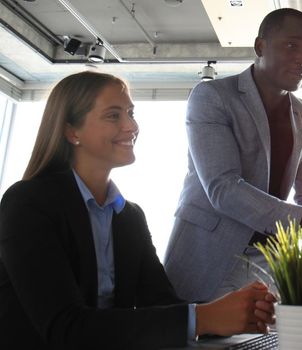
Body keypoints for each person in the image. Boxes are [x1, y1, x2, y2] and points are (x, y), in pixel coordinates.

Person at [0, 71, 275, 349]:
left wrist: (232, 312)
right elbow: (66, 328)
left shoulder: (129, 218)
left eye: (131, 113)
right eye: (113, 115)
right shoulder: (28, 204)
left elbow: (161, 304)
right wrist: (204, 318)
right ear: (72, 131)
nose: (131, 126)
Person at [163, 8, 302, 303]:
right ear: (260, 47)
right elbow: (223, 189)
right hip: (209, 255)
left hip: (268, 260)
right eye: (292, 45)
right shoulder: (211, 97)